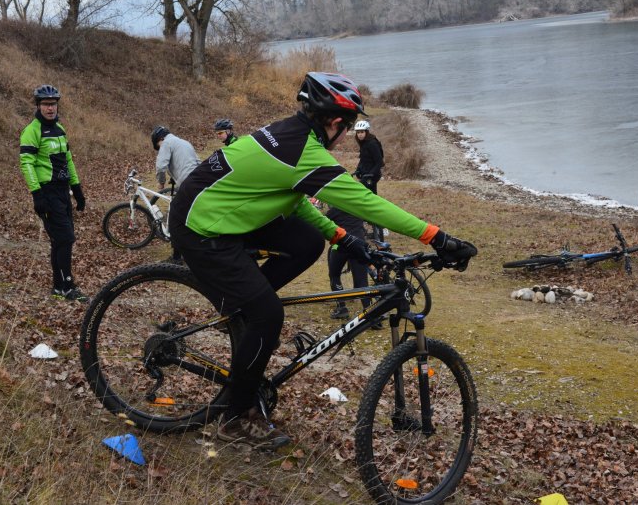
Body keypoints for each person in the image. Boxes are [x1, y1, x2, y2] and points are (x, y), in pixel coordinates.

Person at [169, 72, 476, 450]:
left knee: (308, 240)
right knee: (267, 315)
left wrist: (342, 237)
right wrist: (436, 236)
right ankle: (234, 417)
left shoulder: (292, 136)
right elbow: (365, 202)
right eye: (346, 128)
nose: (346, 135)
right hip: (201, 225)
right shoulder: (302, 149)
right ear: (334, 123)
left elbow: (293, 199)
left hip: (228, 213)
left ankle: (244, 307)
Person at [19, 84, 88, 303]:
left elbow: (67, 160)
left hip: (62, 191)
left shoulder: (60, 129)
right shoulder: (32, 130)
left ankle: (59, 287)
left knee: (59, 241)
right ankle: (67, 286)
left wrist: (77, 190)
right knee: (65, 239)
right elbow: (26, 163)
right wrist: (36, 194)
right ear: (38, 106)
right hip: (47, 192)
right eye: (46, 104)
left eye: (53, 104)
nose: (50, 108)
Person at [151, 126, 200, 264]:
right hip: (197, 181)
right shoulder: (184, 142)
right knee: (188, 218)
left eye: (158, 146)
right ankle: (184, 254)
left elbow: (161, 166)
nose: (159, 148)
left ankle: (178, 258)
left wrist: (161, 182)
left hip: (187, 184)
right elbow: (196, 162)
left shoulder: (166, 143)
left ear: (160, 139)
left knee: (175, 219)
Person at [325, 206, 373, 322]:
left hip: (341, 246)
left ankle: (342, 308)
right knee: (362, 282)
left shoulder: (333, 211)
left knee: (334, 276)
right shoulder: (355, 207)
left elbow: (323, 224)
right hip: (359, 245)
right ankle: (370, 313)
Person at [352, 119, 384, 194]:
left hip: (373, 174)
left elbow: (379, 162)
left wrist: (370, 174)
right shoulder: (363, 143)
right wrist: (358, 170)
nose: (360, 134)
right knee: (371, 194)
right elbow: (363, 159)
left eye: (362, 132)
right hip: (365, 172)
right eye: (358, 132)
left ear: (366, 132)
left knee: (361, 192)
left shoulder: (372, 144)